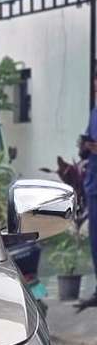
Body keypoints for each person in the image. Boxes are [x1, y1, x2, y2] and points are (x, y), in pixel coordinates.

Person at [77, 70, 97, 309]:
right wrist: (85, 145)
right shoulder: (94, 113)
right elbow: (85, 148)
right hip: (93, 185)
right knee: (95, 241)